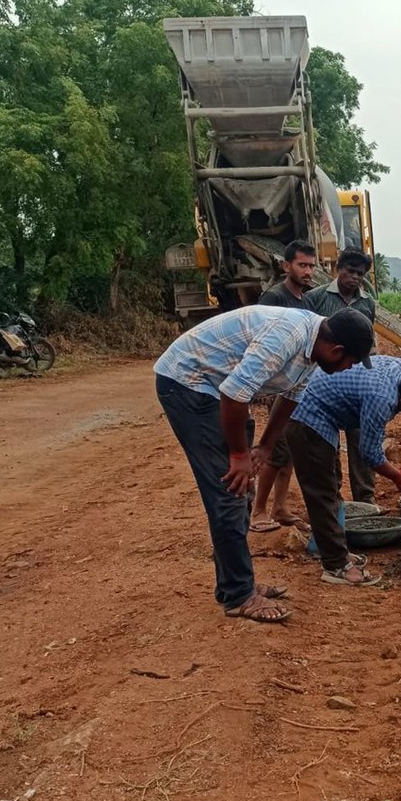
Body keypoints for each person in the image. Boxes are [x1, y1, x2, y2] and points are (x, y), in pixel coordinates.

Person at [155, 306, 374, 622]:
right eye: (349, 362)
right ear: (336, 350)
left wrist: (265, 447)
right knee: (230, 488)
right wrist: (240, 456)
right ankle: (238, 595)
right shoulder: (286, 337)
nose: (347, 368)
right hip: (189, 383)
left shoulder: (314, 350)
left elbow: (289, 399)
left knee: (242, 491)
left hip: (220, 389)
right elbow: (233, 395)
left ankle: (237, 582)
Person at [285, 356, 401, 585]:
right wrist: (399, 478)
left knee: (331, 485)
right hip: (307, 417)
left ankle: (330, 549)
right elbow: (370, 453)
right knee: (323, 492)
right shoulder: (381, 399)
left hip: (323, 412)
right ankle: (335, 566)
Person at [251, 239, 319, 533]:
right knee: (275, 449)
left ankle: (280, 506)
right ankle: (258, 510)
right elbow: (261, 342)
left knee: (288, 449)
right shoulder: (273, 299)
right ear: (286, 266)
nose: (308, 271)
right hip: (277, 385)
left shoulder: (305, 300)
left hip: (295, 386)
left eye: (311, 266)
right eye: (302, 265)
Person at [302, 248, 378, 505]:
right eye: (350, 271)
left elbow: (369, 343)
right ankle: (333, 499)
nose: (355, 277)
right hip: (322, 382)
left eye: (360, 273)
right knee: (327, 442)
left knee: (361, 440)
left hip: (355, 383)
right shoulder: (315, 298)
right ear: (338, 269)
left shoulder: (367, 302)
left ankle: (365, 501)